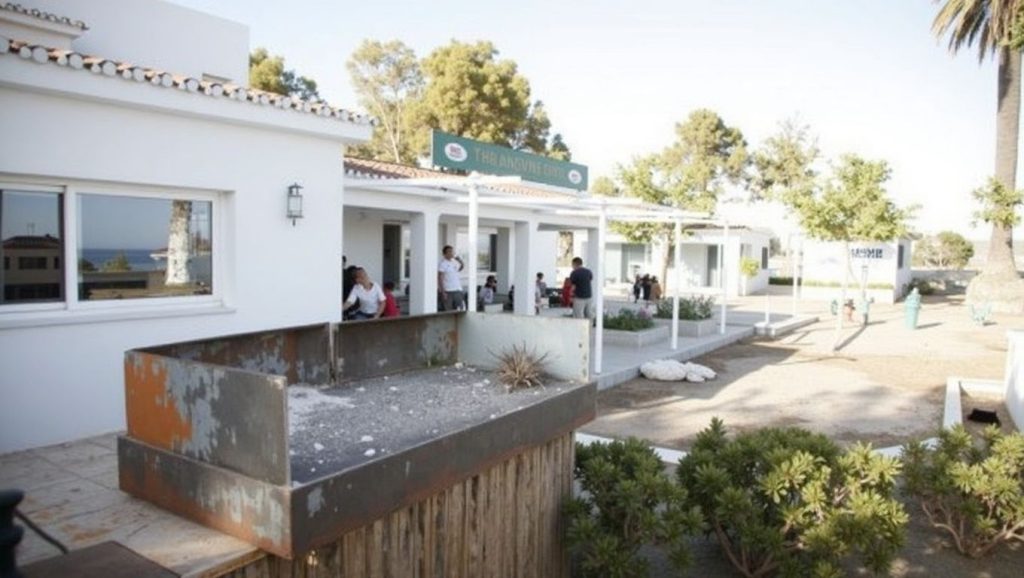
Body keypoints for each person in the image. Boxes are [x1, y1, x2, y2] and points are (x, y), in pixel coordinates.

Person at [437, 245, 464, 311]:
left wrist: (460, 261)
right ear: (444, 254)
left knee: (460, 309)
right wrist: (443, 292)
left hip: (457, 289)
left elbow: (461, 268)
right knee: (448, 310)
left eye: (452, 251)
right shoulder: (442, 264)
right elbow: (440, 278)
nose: (451, 253)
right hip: (448, 291)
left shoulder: (454, 262)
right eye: (449, 251)